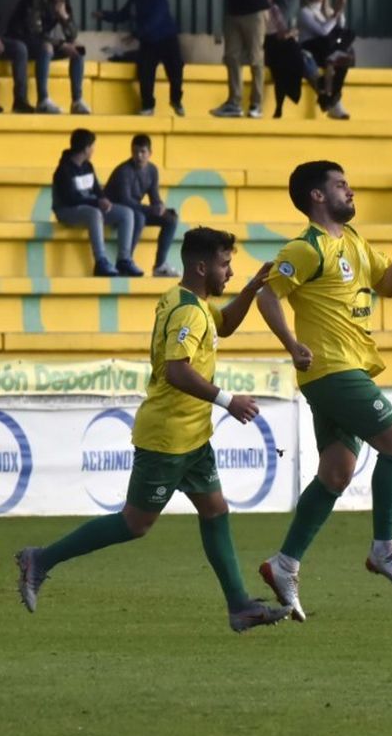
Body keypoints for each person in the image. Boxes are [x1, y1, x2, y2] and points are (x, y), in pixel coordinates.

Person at [15, 229, 289, 632]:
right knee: (135, 523)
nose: (229, 271)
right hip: (169, 437)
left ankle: (239, 606)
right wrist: (229, 400)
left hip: (193, 435)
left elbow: (226, 324)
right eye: (224, 264)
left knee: (215, 510)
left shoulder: (185, 300)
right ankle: (40, 559)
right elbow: (178, 371)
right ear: (201, 266)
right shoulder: (189, 313)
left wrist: (251, 287)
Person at [255, 161, 392, 621]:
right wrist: (293, 345)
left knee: (336, 473)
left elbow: (386, 285)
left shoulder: (352, 242)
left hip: (345, 371)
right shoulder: (306, 248)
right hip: (332, 368)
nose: (350, 191)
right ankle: (383, 549)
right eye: (340, 185)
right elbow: (267, 295)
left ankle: (284, 563)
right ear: (316, 196)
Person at [93, 0, 184, 116]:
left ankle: (176, 100)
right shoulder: (136, 1)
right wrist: (104, 15)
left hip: (167, 40)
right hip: (149, 43)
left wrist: (136, 35)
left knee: (175, 70)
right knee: (145, 72)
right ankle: (148, 105)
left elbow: (156, 20)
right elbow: (122, 15)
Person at [53, 128, 140, 278]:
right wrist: (96, 202)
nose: (94, 149)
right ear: (86, 148)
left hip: (90, 207)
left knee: (126, 213)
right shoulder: (63, 170)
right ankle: (101, 261)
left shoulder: (88, 166)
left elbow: (96, 190)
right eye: (92, 146)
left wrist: (103, 199)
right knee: (94, 213)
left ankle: (124, 259)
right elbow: (70, 199)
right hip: (67, 210)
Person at [9, 0, 90, 115]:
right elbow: (35, 32)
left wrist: (64, 17)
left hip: (40, 41)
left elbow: (72, 35)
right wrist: (61, 44)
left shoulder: (62, 3)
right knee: (46, 47)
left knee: (77, 49)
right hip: (21, 40)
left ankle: (77, 101)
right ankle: (43, 100)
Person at [106, 134, 180, 278]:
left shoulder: (152, 170)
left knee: (171, 219)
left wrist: (160, 206)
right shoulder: (124, 171)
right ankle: (125, 262)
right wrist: (152, 209)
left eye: (142, 152)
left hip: (135, 210)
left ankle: (160, 266)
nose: (138, 156)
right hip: (115, 211)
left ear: (150, 153)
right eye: (135, 152)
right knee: (138, 217)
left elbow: (154, 197)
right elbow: (125, 201)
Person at [298, 0, 355, 120]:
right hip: (312, 48)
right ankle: (334, 104)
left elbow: (339, 30)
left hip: (328, 50)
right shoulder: (305, 12)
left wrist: (337, 13)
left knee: (345, 55)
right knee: (336, 55)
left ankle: (330, 100)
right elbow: (322, 32)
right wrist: (336, 14)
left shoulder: (328, 11)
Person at [264, 0, 316, 119]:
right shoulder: (253, 9)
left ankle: (280, 105)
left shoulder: (274, 8)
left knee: (290, 54)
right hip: (264, 45)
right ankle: (319, 90)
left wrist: (289, 33)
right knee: (289, 51)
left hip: (279, 44)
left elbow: (282, 30)